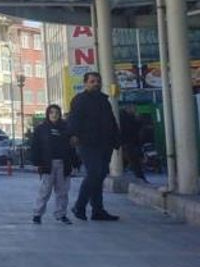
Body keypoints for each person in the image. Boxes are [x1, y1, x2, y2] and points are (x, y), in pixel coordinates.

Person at [69, 72, 121, 222]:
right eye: (92, 81)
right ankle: (79, 206)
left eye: (98, 81)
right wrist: (73, 135)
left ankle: (98, 210)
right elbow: (73, 120)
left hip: (105, 144)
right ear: (85, 83)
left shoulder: (104, 101)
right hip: (88, 144)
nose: (96, 84)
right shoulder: (80, 100)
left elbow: (111, 121)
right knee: (94, 173)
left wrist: (116, 139)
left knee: (100, 175)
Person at [31, 105, 76, 225]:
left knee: (62, 191)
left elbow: (72, 148)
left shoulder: (66, 128)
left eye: (56, 112)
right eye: (51, 112)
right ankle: (37, 214)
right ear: (47, 114)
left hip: (64, 164)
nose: (54, 115)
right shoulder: (41, 129)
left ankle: (61, 214)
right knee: (45, 191)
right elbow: (35, 146)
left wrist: (75, 163)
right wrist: (37, 162)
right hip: (47, 164)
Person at [119, 107, 148, 183]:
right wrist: (139, 120)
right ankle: (141, 178)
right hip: (129, 143)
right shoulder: (128, 119)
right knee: (134, 162)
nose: (135, 110)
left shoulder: (121, 117)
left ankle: (140, 178)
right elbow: (134, 130)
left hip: (125, 144)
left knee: (129, 161)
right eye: (133, 108)